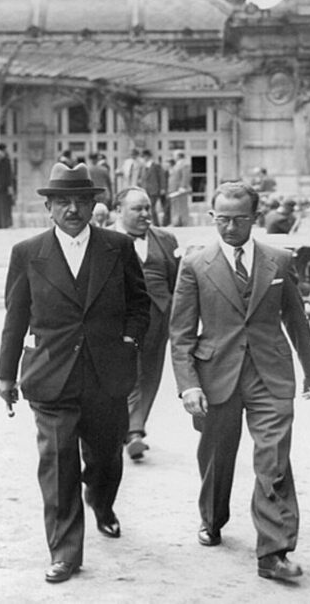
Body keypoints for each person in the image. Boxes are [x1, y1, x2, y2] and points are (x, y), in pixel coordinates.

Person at [0, 162, 150, 585]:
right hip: (52, 376)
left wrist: (129, 342)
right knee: (58, 464)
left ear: (93, 204)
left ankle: (100, 500)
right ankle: (65, 552)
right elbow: (16, 316)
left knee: (105, 462)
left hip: (106, 376)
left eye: (81, 201)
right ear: (48, 206)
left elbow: (140, 305)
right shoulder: (28, 253)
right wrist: (5, 375)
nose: (72, 209)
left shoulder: (117, 248)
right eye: (62, 201)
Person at [169, 181, 310, 583]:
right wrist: (188, 385)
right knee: (218, 456)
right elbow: (181, 332)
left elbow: (295, 316)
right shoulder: (195, 263)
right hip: (215, 373)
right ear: (212, 217)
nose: (230, 227)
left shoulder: (279, 260)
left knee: (273, 458)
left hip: (270, 372)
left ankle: (273, 552)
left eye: (238, 219)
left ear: (254, 217)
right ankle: (213, 518)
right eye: (222, 219)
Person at [112, 187, 180, 461]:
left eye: (147, 208)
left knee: (150, 374)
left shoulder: (166, 239)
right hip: (120, 320)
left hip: (158, 319)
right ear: (119, 210)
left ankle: (133, 431)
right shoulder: (103, 238)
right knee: (126, 373)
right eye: (136, 209)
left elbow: (177, 280)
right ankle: (132, 432)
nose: (144, 214)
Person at [136, 150, 166, 224]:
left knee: (151, 207)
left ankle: (155, 224)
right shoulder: (143, 167)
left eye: (144, 157)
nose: (143, 158)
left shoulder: (156, 165)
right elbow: (141, 178)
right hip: (145, 190)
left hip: (154, 190)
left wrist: (162, 188)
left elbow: (162, 177)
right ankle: (149, 223)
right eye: (142, 157)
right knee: (147, 207)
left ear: (148, 156)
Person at [165, 149, 192, 226]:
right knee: (175, 207)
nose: (173, 157)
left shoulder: (184, 164)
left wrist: (183, 186)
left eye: (174, 155)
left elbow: (186, 176)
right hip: (174, 190)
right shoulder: (176, 165)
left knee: (182, 207)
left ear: (179, 156)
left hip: (179, 190)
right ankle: (175, 222)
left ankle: (184, 222)